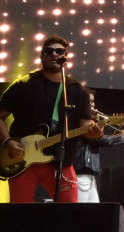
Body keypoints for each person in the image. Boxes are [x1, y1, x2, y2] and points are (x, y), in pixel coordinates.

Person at [0, 35, 103, 202]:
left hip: (61, 161)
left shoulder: (78, 91)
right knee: (20, 210)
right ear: (42, 56)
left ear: (66, 57)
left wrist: (95, 132)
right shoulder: (23, 85)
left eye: (59, 51)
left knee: (68, 210)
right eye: (49, 51)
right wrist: (8, 142)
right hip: (22, 159)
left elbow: (86, 126)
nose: (54, 54)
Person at [74, 91, 124, 203]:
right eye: (90, 102)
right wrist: (122, 136)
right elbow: (99, 140)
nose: (93, 105)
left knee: (95, 211)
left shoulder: (89, 120)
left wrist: (115, 125)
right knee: (80, 211)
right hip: (79, 176)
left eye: (93, 101)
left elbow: (97, 138)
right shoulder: (79, 120)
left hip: (88, 176)